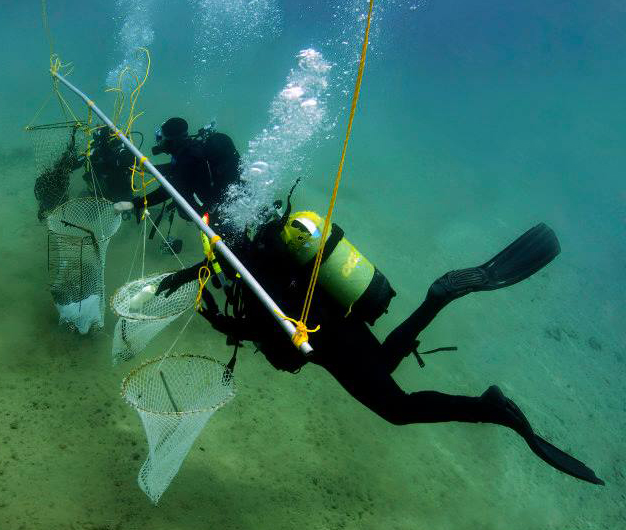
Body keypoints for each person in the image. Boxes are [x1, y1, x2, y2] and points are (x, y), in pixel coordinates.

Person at [156, 203, 604, 485]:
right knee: (385, 365)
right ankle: (436, 301)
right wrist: (184, 276)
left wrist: (221, 325)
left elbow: (266, 325)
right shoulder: (268, 251)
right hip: (341, 323)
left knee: (398, 409)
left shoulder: (250, 275)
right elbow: (224, 270)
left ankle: (490, 406)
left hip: (328, 343)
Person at [114, 117, 242, 241]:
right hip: (230, 195)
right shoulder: (191, 148)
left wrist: (133, 204)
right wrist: (147, 168)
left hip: (218, 207)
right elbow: (175, 168)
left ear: (172, 141)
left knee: (226, 244)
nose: (159, 141)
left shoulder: (188, 159)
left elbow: (168, 190)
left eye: (161, 138)